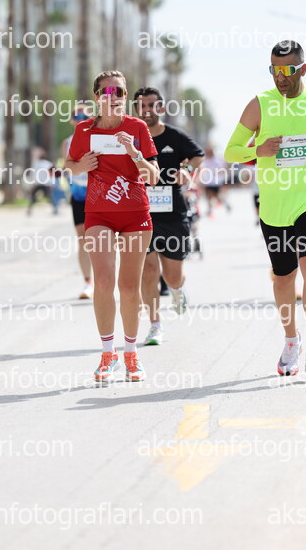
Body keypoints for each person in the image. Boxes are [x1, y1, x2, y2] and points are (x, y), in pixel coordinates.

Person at [64, 70, 159, 383]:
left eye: (119, 92)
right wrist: (81, 165)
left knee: (129, 287)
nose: (114, 97)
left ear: (125, 96)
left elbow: (153, 175)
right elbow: (69, 165)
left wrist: (135, 154)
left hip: (134, 213)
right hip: (99, 213)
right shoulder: (84, 130)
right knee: (103, 282)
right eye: (107, 92)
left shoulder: (137, 127)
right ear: (97, 98)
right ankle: (108, 354)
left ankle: (131, 354)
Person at [225, 39, 306, 376]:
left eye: (287, 69)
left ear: (303, 69)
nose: (280, 76)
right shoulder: (260, 104)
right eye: (274, 69)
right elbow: (231, 151)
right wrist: (258, 150)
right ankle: (291, 340)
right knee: (283, 279)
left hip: (305, 202)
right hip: (274, 207)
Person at [134, 86, 204, 345]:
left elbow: (198, 156)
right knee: (148, 270)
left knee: (172, 275)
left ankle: (177, 289)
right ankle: (155, 326)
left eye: (152, 105)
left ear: (161, 108)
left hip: (172, 212)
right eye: (141, 105)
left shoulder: (174, 136)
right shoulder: (130, 137)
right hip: (140, 213)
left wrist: (186, 171)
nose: (146, 110)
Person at [61, 106, 93, 300]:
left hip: (98, 194)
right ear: (72, 120)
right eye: (76, 116)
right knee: (83, 239)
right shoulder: (67, 142)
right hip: (79, 195)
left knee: (104, 238)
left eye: (85, 115)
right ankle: (88, 282)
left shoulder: (97, 138)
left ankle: (107, 278)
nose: (80, 118)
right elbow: (67, 167)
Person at [201, 144, 231, 217]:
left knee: (217, 196)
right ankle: (209, 210)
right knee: (208, 196)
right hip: (207, 182)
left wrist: (217, 173)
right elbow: (201, 169)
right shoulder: (204, 160)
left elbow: (223, 169)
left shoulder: (217, 160)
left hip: (216, 182)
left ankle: (226, 204)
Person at [26, 147, 53, 215]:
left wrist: (32, 183)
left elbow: (33, 174)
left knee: (33, 197)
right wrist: (51, 184)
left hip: (37, 183)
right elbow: (51, 175)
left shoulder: (36, 164)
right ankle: (55, 208)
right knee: (49, 196)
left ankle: (29, 209)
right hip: (46, 183)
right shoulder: (48, 164)